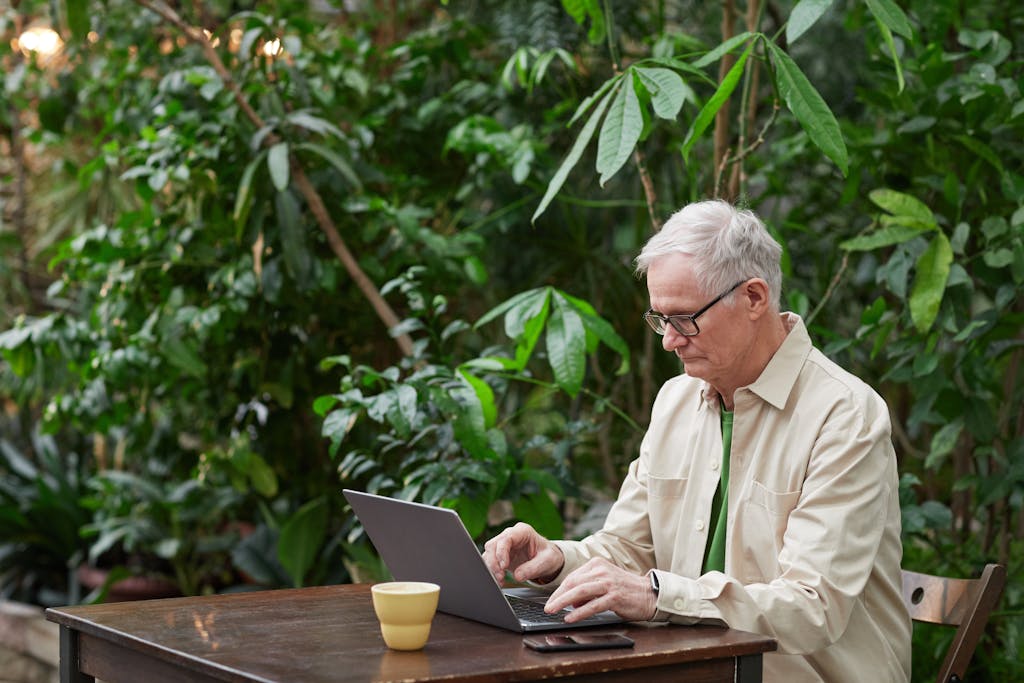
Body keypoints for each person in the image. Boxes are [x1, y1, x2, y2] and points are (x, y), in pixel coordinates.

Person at [482, 200, 911, 681]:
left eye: (684, 318)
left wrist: (655, 595)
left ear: (753, 298)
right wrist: (558, 559)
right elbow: (629, 550)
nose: (668, 340)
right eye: (660, 319)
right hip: (689, 665)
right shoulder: (676, 401)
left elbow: (812, 607)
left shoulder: (844, 414)